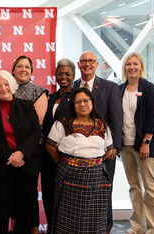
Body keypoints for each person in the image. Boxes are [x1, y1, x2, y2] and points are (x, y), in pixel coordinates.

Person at [0, 70, 41, 234]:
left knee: (24, 210)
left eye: (6, 84)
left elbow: (36, 132)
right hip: (1, 167)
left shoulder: (26, 105)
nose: (3, 88)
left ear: (12, 85)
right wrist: (11, 155)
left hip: (25, 165)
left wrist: (21, 153)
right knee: (1, 210)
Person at [46, 87, 113, 234]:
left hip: (95, 178)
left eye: (85, 100)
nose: (82, 104)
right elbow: (50, 146)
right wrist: (64, 163)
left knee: (94, 218)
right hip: (69, 176)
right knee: (67, 216)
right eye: (78, 102)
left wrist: (92, 163)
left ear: (92, 102)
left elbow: (108, 150)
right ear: (73, 105)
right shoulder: (62, 123)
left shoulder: (102, 125)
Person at [74, 51, 122, 233]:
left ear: (96, 64)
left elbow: (117, 118)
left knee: (104, 190)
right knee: (83, 191)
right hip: (79, 152)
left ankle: (106, 227)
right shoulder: (73, 87)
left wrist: (114, 146)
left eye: (91, 61)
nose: (87, 64)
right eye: (84, 61)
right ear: (78, 65)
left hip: (105, 151)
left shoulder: (110, 87)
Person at [119, 52, 154, 234]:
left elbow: (153, 118)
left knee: (150, 188)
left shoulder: (149, 88)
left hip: (145, 146)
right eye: (128, 64)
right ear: (124, 68)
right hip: (126, 145)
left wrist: (146, 141)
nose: (132, 67)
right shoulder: (120, 89)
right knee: (134, 187)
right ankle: (138, 227)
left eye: (135, 64)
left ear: (141, 66)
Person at [11, 55, 48, 233]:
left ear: (32, 71)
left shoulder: (39, 91)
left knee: (28, 195)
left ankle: (30, 230)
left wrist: (22, 151)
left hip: (31, 152)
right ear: (13, 70)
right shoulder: (5, 89)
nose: (23, 69)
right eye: (19, 66)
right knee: (13, 196)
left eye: (27, 67)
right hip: (10, 151)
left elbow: (37, 123)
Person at [41, 58, 75, 234]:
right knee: (49, 196)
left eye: (67, 74)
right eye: (60, 73)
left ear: (73, 75)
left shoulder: (79, 97)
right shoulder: (50, 97)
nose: (63, 77)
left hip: (68, 157)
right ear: (55, 76)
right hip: (47, 156)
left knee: (67, 200)